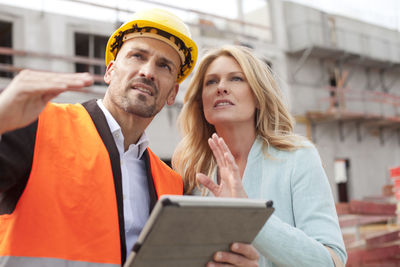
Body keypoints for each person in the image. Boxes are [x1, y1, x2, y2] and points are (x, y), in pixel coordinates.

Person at [0, 8, 195, 267]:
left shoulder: (171, 184)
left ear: (172, 93)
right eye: (137, 56)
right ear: (110, 72)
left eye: (164, 66)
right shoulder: (38, 127)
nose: (148, 72)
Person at [172, 45, 347, 267]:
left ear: (257, 96)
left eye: (236, 79)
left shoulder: (298, 157)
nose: (221, 88)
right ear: (201, 103)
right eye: (211, 82)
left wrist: (249, 214)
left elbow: (331, 262)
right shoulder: (189, 172)